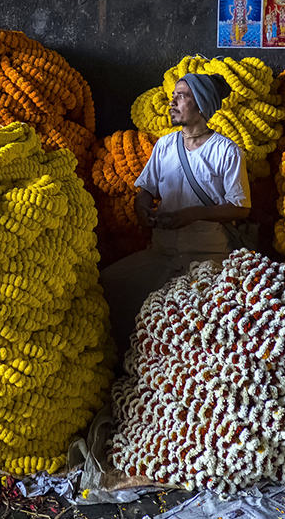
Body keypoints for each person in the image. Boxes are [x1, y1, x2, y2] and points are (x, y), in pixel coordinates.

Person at [99, 73, 251, 353]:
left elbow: (240, 208)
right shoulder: (165, 146)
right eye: (174, 95)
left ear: (202, 106)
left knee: (194, 332)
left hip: (206, 259)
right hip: (163, 256)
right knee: (110, 285)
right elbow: (146, 188)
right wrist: (141, 207)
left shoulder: (226, 151)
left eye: (182, 96)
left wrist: (192, 215)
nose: (173, 102)